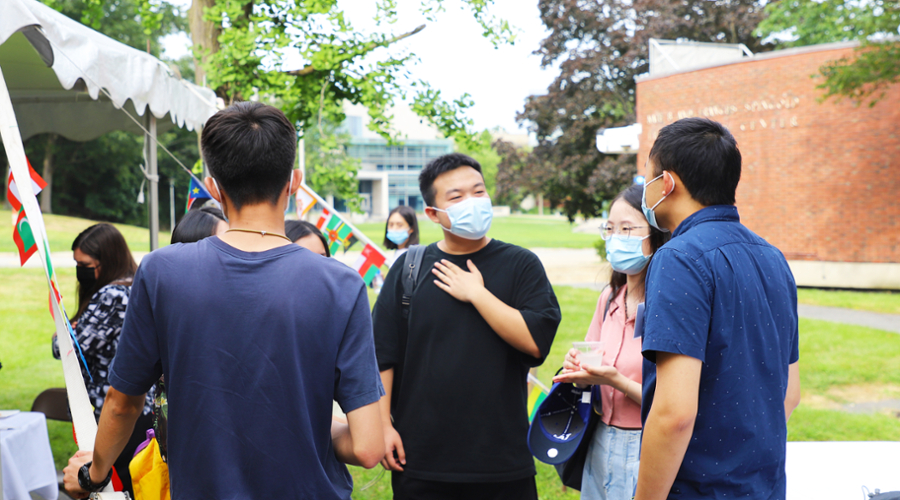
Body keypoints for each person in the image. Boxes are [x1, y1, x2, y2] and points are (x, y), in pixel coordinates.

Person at [62, 102, 384, 500]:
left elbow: (122, 403)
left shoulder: (163, 271)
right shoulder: (342, 284)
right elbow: (369, 446)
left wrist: (93, 474)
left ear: (212, 187)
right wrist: (311, 425)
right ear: (294, 182)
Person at [372, 153, 561, 500]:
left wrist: (477, 294)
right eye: (456, 197)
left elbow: (536, 343)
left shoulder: (521, 265)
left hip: (502, 460)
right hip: (422, 459)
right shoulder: (409, 269)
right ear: (432, 213)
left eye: (479, 192)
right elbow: (383, 355)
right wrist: (383, 426)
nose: (472, 203)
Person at [634, 118, 801, 500]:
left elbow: (674, 413)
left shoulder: (679, 258)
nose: (645, 189)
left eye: (647, 176)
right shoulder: (774, 258)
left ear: (668, 183)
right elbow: (789, 393)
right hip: (764, 487)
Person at [553, 184, 669, 499]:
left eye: (627, 229)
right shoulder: (609, 298)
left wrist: (615, 380)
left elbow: (675, 405)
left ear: (656, 235)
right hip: (599, 438)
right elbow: (591, 363)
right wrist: (577, 369)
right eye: (610, 229)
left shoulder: (669, 304)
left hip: (646, 445)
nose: (616, 237)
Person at [52, 223, 153, 496]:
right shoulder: (135, 287)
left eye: (84, 264)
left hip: (111, 412)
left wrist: (66, 329)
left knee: (107, 489)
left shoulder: (111, 295)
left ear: (106, 261)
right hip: (137, 410)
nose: (79, 271)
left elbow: (66, 347)